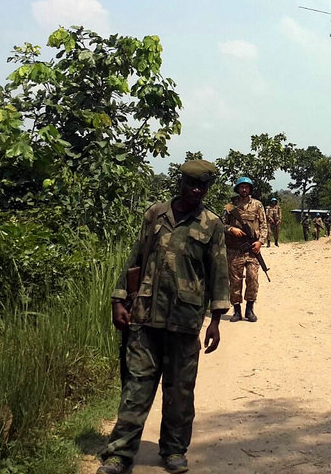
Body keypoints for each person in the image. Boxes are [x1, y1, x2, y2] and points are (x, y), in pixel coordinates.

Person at [98, 159, 230, 474]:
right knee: (136, 388)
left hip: (185, 321)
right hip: (144, 316)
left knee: (179, 391)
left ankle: (173, 450)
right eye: (191, 184)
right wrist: (119, 300)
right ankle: (120, 454)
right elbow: (136, 258)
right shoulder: (155, 214)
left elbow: (219, 274)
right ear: (180, 184)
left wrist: (215, 320)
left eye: (202, 186)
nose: (196, 190)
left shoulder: (212, 225)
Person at [223, 176, 268, 322]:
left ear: (250, 189)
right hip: (235, 250)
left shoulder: (257, 205)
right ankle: (237, 311)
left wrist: (260, 242)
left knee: (252, 278)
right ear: (237, 189)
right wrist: (231, 229)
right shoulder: (230, 206)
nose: (244, 189)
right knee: (235, 281)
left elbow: (264, 226)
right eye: (241, 187)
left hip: (251, 249)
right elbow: (222, 225)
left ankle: (249, 310)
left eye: (246, 187)